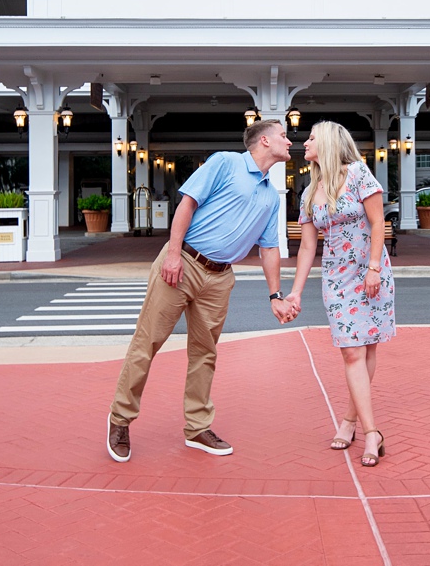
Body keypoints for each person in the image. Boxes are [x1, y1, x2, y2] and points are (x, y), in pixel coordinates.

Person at [106, 118, 299, 462]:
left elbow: (269, 248)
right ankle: (120, 419)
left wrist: (275, 295)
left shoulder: (271, 195)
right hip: (183, 264)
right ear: (264, 141)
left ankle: (197, 427)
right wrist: (173, 253)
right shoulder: (226, 162)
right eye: (283, 136)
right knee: (146, 343)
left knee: (205, 354)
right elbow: (187, 204)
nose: (290, 141)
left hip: (220, 278)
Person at [285, 121, 395, 467]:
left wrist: (374, 267)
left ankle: (351, 423)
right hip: (336, 280)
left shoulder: (360, 174)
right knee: (351, 353)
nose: (305, 142)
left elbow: (378, 223)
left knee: (366, 347)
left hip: (371, 272)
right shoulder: (309, 190)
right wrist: (295, 292)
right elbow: (306, 248)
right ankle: (372, 432)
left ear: (329, 143)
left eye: (312, 137)